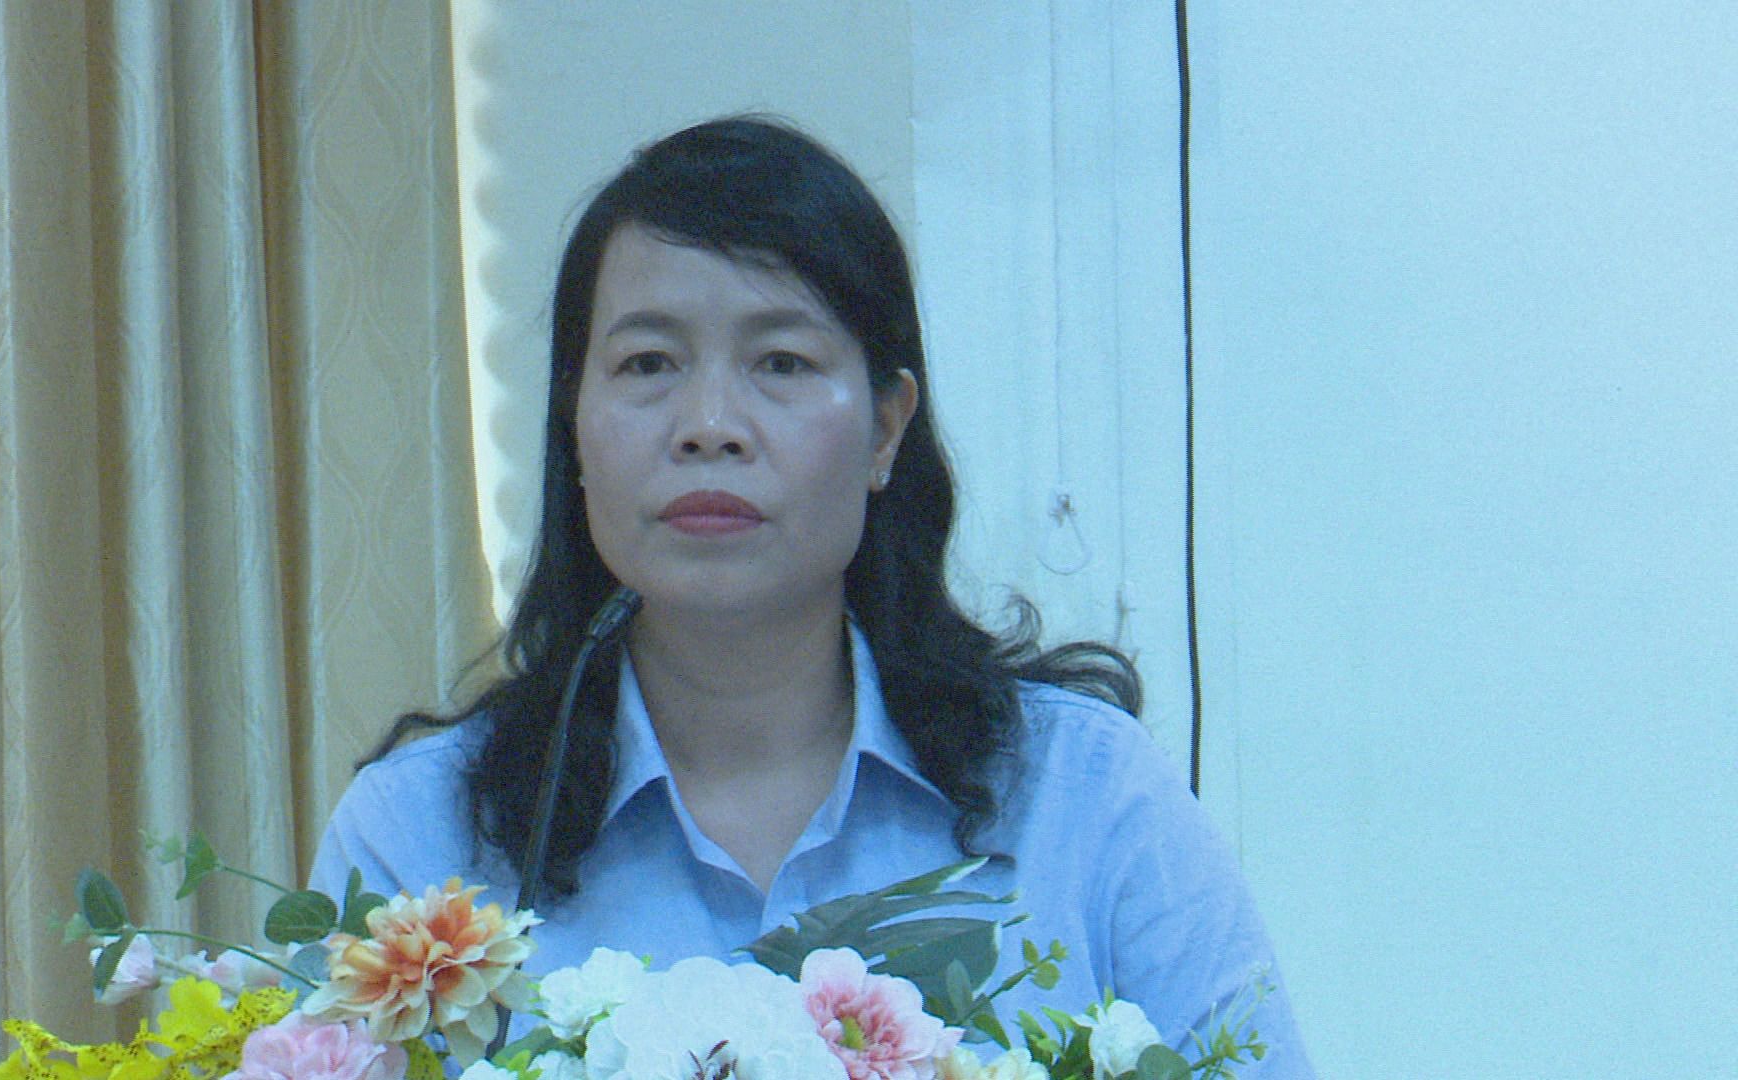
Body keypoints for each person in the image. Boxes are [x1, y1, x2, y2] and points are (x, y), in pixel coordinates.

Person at [310, 116, 1314, 1075]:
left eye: (781, 363)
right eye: (648, 363)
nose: (709, 425)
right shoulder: (421, 840)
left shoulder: (1081, 799)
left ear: (886, 429)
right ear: (573, 425)